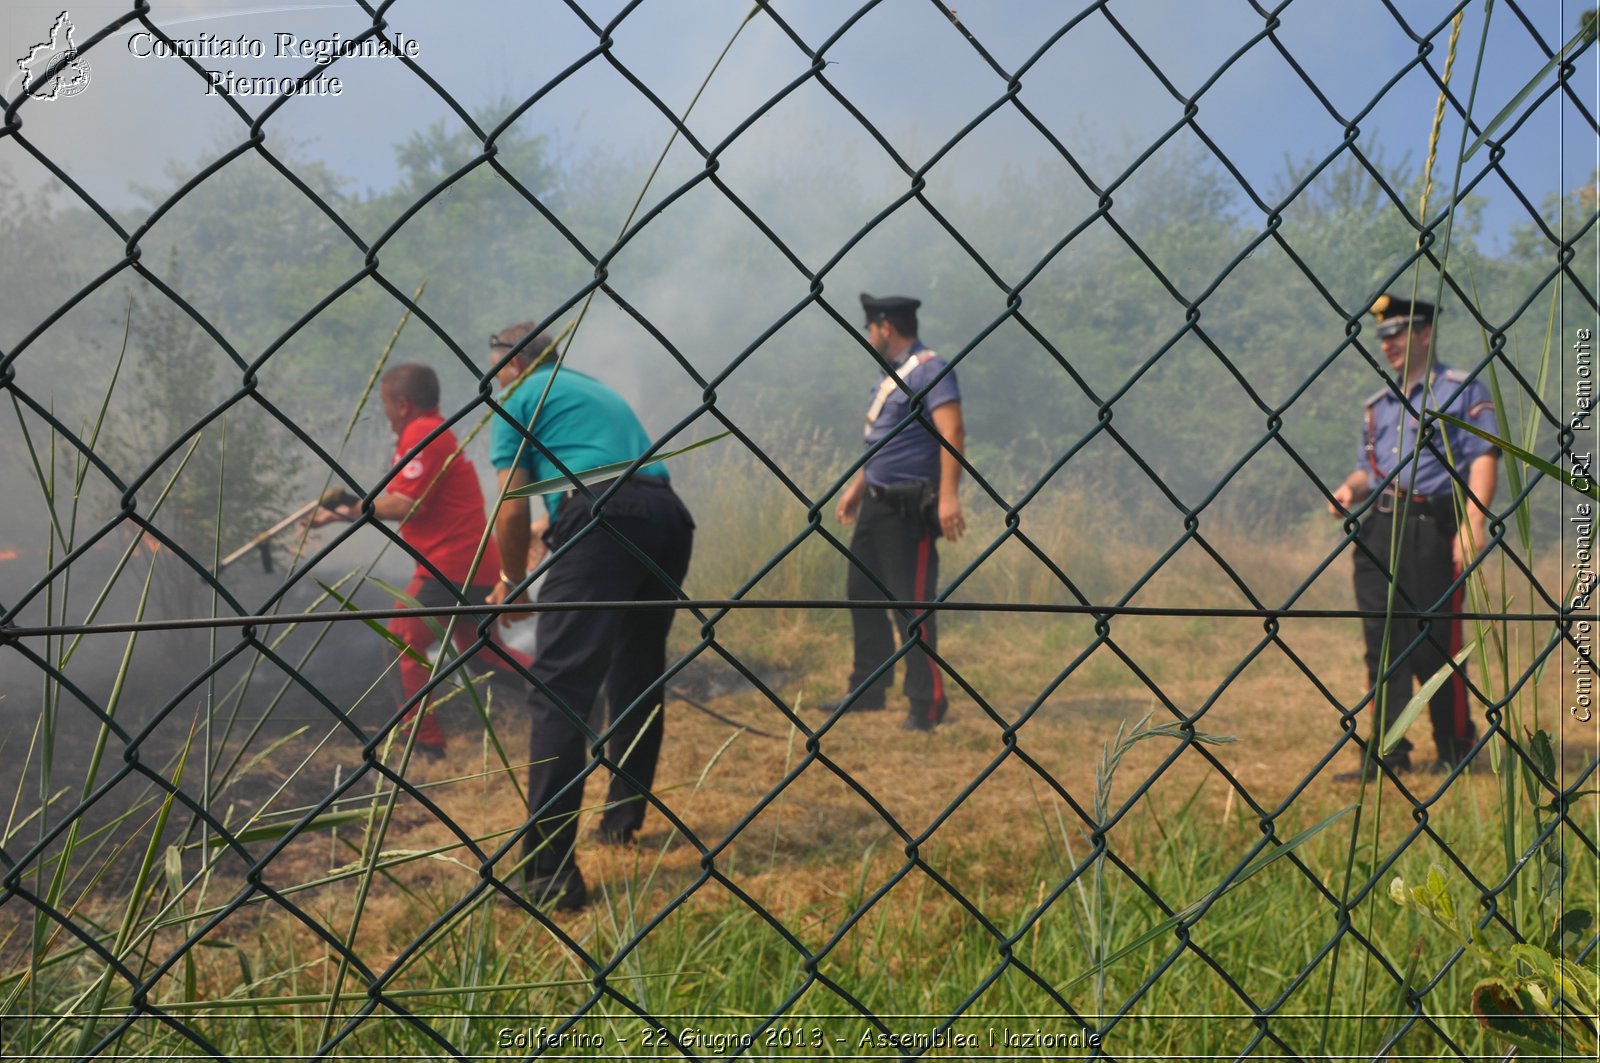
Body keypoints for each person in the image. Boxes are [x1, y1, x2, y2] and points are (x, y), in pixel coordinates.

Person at [486, 323, 694, 912]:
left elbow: (512, 506)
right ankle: (621, 822)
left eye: (498, 365)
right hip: (667, 518)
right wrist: (536, 553)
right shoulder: (588, 391)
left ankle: (548, 875)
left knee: (560, 690)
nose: (496, 377)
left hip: (602, 516)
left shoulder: (519, 398)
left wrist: (513, 582)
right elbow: (586, 493)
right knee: (635, 673)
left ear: (515, 362)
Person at [309, 364, 532, 758]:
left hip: (451, 566)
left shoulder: (422, 432)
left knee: (401, 642)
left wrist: (351, 504)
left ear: (402, 402)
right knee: (483, 653)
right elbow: (398, 504)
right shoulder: (430, 433)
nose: (385, 413)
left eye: (385, 404)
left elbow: (403, 504)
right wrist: (342, 512)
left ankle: (426, 746)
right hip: (473, 564)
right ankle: (564, 686)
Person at [1327, 295, 1498, 780]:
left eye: (1397, 333)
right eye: (1382, 336)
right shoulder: (1379, 404)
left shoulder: (1459, 390)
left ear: (1424, 333)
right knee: (1383, 642)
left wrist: (1474, 521)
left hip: (1430, 528)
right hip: (1380, 528)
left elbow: (1484, 454)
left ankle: (1455, 746)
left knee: (1434, 644)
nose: (1388, 344)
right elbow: (1369, 471)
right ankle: (1386, 754)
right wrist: (1347, 490)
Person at [825, 293, 965, 731]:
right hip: (875, 502)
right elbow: (886, 444)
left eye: (870, 328)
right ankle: (868, 689)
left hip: (909, 505)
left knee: (912, 603)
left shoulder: (930, 369)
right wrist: (856, 489)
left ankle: (927, 703)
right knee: (860, 591)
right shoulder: (890, 377)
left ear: (885, 326)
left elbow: (952, 430)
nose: (868, 336)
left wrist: (947, 496)